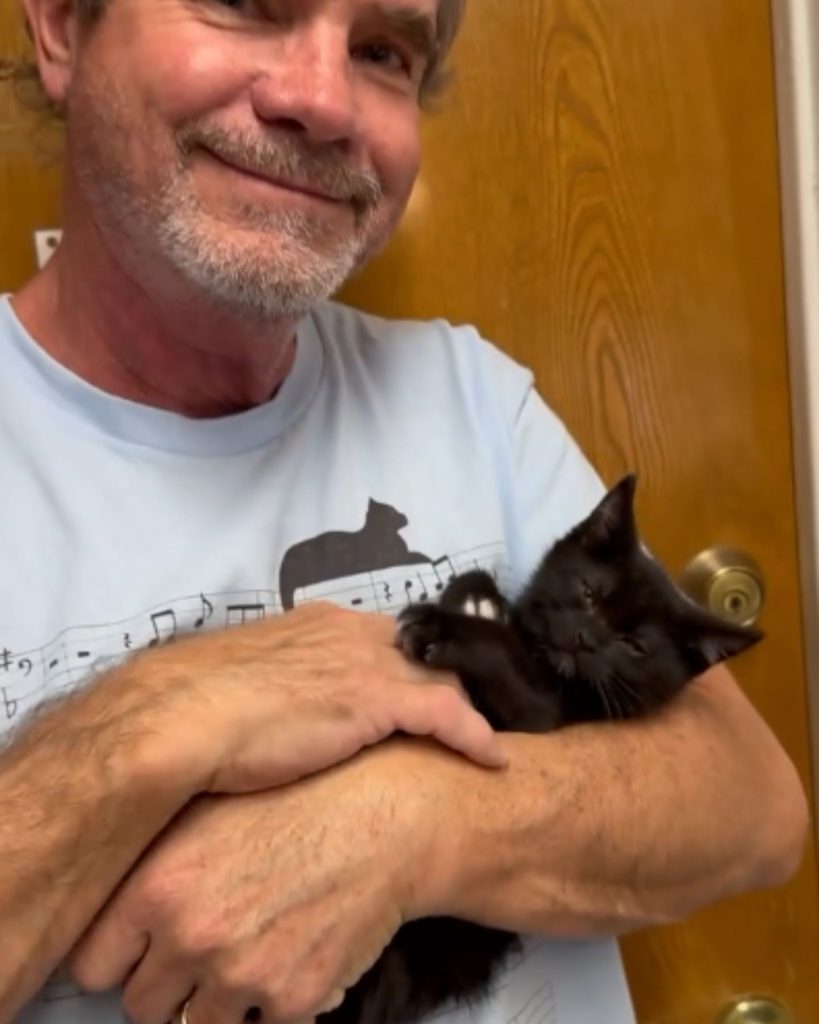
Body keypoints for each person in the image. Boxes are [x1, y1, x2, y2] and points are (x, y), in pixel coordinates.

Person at [0, 1, 808, 1023]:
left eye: (383, 51)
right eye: (249, 6)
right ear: (63, 29)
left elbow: (753, 807)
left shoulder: (467, 391)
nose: (323, 99)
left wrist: (407, 825)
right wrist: (153, 719)